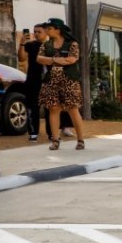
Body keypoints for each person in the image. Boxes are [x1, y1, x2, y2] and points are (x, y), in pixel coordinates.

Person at [36, 18, 86, 150]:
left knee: (73, 109)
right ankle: (55, 140)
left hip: (69, 80)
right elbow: (39, 58)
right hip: (51, 81)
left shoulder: (72, 43)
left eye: (49, 28)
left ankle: (80, 139)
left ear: (58, 29)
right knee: (53, 109)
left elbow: (72, 59)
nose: (47, 31)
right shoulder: (46, 45)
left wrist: (52, 61)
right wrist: (55, 59)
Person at [17, 27, 43, 141]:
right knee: (32, 106)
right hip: (33, 79)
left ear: (46, 32)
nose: (36, 34)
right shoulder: (31, 45)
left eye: (39, 32)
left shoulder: (51, 45)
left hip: (48, 80)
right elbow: (22, 58)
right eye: (35, 32)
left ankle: (52, 134)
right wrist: (22, 43)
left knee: (51, 107)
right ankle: (33, 132)